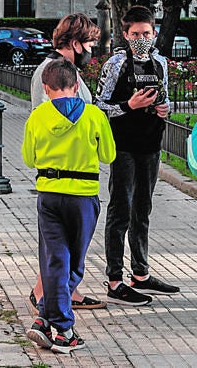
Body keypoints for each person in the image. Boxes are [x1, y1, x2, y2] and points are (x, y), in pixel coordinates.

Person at [23, 58, 116, 354]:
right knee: (73, 263)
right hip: (83, 197)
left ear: (46, 88)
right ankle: (64, 331)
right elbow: (109, 155)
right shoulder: (93, 115)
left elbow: (28, 159)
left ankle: (42, 317)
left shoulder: (37, 116)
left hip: (48, 196)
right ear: (77, 86)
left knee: (53, 260)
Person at [95, 5, 177, 306]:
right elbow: (99, 104)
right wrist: (128, 105)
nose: (142, 38)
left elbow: (165, 96)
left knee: (143, 208)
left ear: (154, 33)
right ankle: (114, 278)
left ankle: (140, 272)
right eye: (135, 34)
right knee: (121, 209)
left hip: (151, 143)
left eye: (147, 33)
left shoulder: (160, 62)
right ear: (125, 34)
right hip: (124, 145)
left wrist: (164, 109)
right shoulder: (116, 64)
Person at [27, 13, 107, 312]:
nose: (92, 51)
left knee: (66, 243)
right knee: (62, 245)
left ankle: (62, 293)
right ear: (74, 43)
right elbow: (59, 118)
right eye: (89, 44)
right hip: (65, 170)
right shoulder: (53, 72)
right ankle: (46, 297)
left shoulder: (65, 69)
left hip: (72, 171)